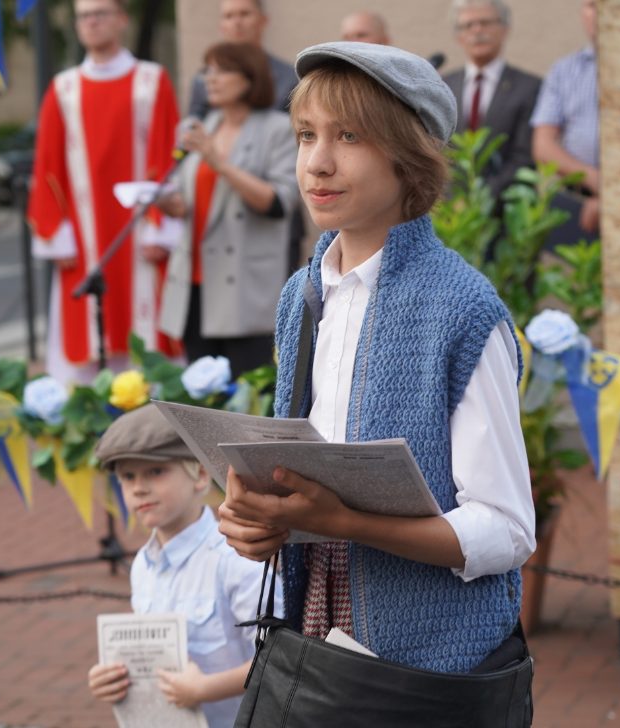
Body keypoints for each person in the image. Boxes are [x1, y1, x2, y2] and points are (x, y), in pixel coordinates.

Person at [217, 41, 535, 677]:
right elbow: (302, 475)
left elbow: (506, 531)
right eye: (306, 136)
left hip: (433, 669)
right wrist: (257, 519)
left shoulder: (461, 307)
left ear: (408, 155)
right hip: (316, 643)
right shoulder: (302, 294)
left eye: (350, 136)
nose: (319, 163)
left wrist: (345, 521)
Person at [88, 404, 273, 728]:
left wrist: (205, 689)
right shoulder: (142, 567)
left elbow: (276, 659)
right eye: (127, 477)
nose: (138, 487)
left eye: (155, 472)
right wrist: (113, 676)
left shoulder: (235, 560)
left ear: (200, 475)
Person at [28, 0, 181, 382]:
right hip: (83, 240)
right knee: (85, 343)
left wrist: (161, 227)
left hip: (139, 236)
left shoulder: (151, 81)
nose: (91, 22)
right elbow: (47, 165)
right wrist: (55, 233)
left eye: (100, 13)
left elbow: (168, 156)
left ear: (122, 19)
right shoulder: (63, 89)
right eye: (83, 16)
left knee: (145, 345)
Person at [156, 42, 298, 377]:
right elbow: (196, 199)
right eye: (207, 70)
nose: (210, 78)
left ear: (249, 78)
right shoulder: (201, 126)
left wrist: (218, 162)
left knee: (246, 399)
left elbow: (279, 203)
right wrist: (173, 204)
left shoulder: (277, 129)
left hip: (243, 287)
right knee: (201, 401)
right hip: (193, 282)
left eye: (222, 70)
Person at [442, 0, 540, 199]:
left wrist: (483, 199)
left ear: (505, 29)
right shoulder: (443, 86)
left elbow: (524, 156)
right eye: (468, 25)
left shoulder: (530, 87)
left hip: (507, 209)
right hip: (451, 212)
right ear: (458, 37)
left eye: (485, 23)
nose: (477, 31)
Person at [531, 0, 600, 240]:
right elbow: (543, 147)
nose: (599, 12)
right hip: (577, 201)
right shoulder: (564, 70)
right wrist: (596, 181)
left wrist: (615, 195)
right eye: (592, 5)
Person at [186, 0, 296, 120]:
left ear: (263, 20)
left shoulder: (289, 79)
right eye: (229, 16)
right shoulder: (203, 80)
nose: (237, 23)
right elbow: (193, 125)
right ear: (221, 26)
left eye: (244, 14)